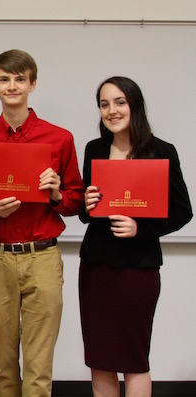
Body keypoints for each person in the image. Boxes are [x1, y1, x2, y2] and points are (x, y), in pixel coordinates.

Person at [0, 49, 84, 397]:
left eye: (19, 79)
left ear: (32, 83)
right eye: (4, 79)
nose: (12, 85)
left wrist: (56, 192)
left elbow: (75, 200)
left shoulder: (59, 139)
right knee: (3, 366)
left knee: (38, 366)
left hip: (42, 257)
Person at [80, 76, 192, 397]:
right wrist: (87, 206)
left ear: (134, 106)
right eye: (104, 104)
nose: (111, 110)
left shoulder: (161, 151)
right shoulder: (95, 149)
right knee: (99, 359)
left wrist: (140, 229)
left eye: (119, 102)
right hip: (95, 268)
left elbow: (183, 211)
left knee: (133, 359)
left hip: (137, 269)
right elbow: (91, 212)